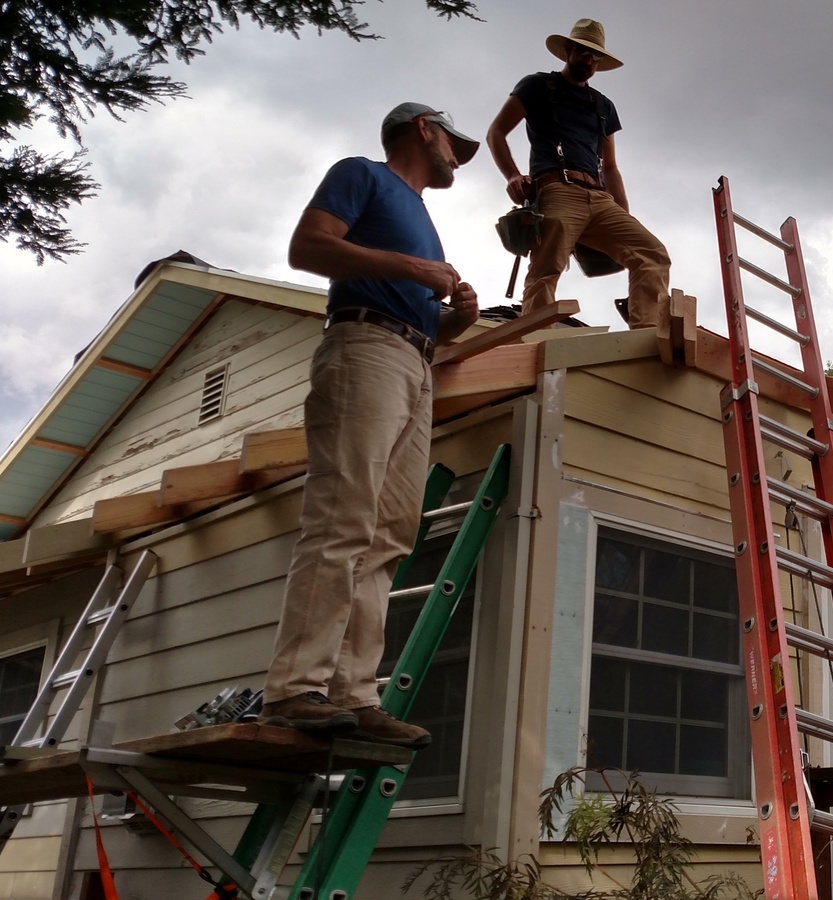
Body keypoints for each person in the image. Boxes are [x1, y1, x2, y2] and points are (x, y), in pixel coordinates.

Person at [259, 102, 481, 748]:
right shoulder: (363, 175)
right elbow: (307, 248)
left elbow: (430, 321)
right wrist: (414, 269)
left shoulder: (426, 222)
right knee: (343, 514)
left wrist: (458, 319)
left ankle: (353, 693)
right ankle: (295, 686)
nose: (455, 158)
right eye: (451, 143)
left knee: (390, 530)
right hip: (364, 348)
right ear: (421, 128)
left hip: (416, 358)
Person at [485, 17, 670, 330]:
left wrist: (624, 215)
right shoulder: (537, 86)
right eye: (584, 52)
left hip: (600, 198)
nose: (590, 60)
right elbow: (496, 132)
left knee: (652, 253)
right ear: (568, 49)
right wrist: (513, 176)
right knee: (546, 268)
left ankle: (646, 334)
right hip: (557, 188)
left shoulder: (603, 105)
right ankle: (534, 337)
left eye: (596, 56)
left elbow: (610, 166)